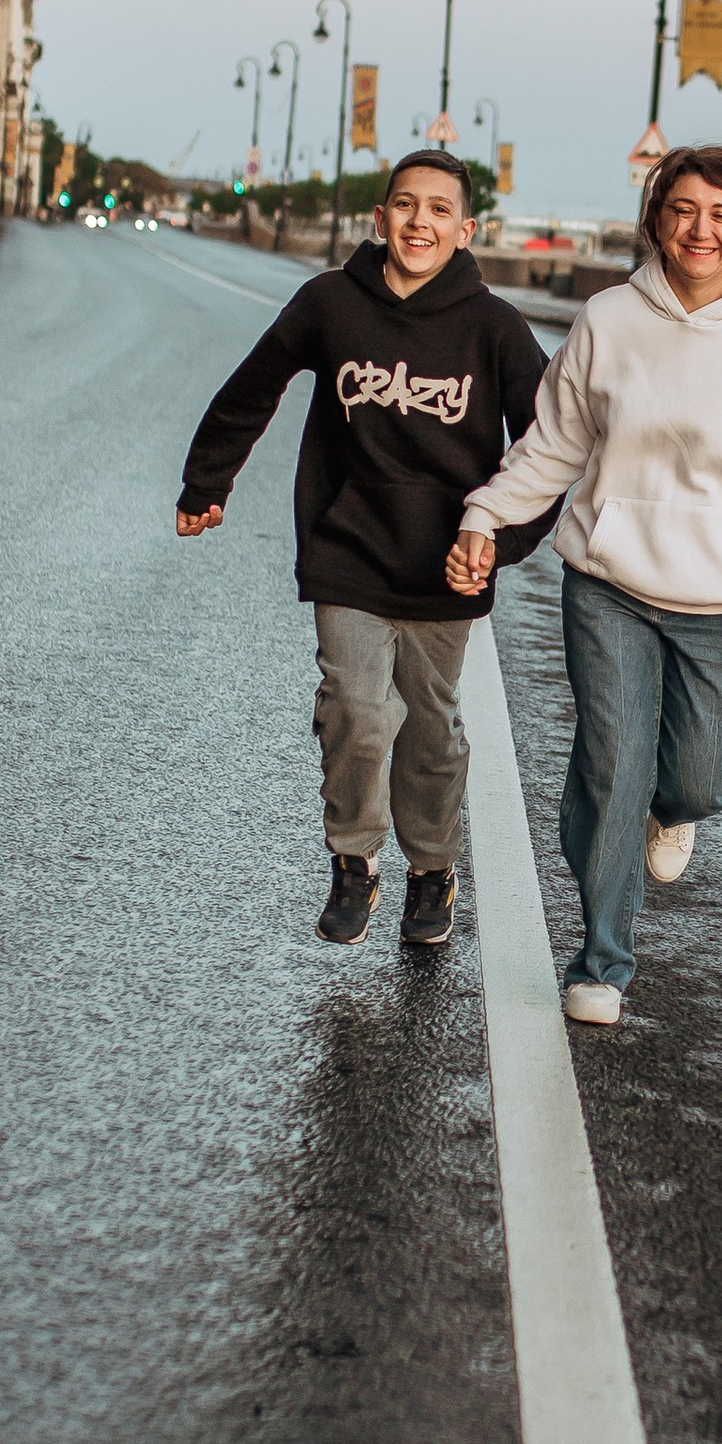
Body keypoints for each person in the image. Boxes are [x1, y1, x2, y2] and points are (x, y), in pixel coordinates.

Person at [444, 144, 722, 1027]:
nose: (699, 229)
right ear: (659, 217)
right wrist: (485, 514)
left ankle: (670, 812)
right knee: (610, 763)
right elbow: (555, 444)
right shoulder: (611, 318)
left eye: (721, 215)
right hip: (610, 582)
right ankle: (602, 960)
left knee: (698, 778)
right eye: (683, 209)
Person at [175, 149, 552, 950]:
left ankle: (431, 869)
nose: (421, 221)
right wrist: (207, 482)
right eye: (405, 206)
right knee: (356, 707)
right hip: (348, 546)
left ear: (466, 228)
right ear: (379, 220)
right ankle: (354, 859)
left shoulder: (495, 328)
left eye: (440, 209)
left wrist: (500, 541)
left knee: (431, 724)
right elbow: (254, 387)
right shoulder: (330, 303)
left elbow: (552, 446)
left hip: (447, 563)